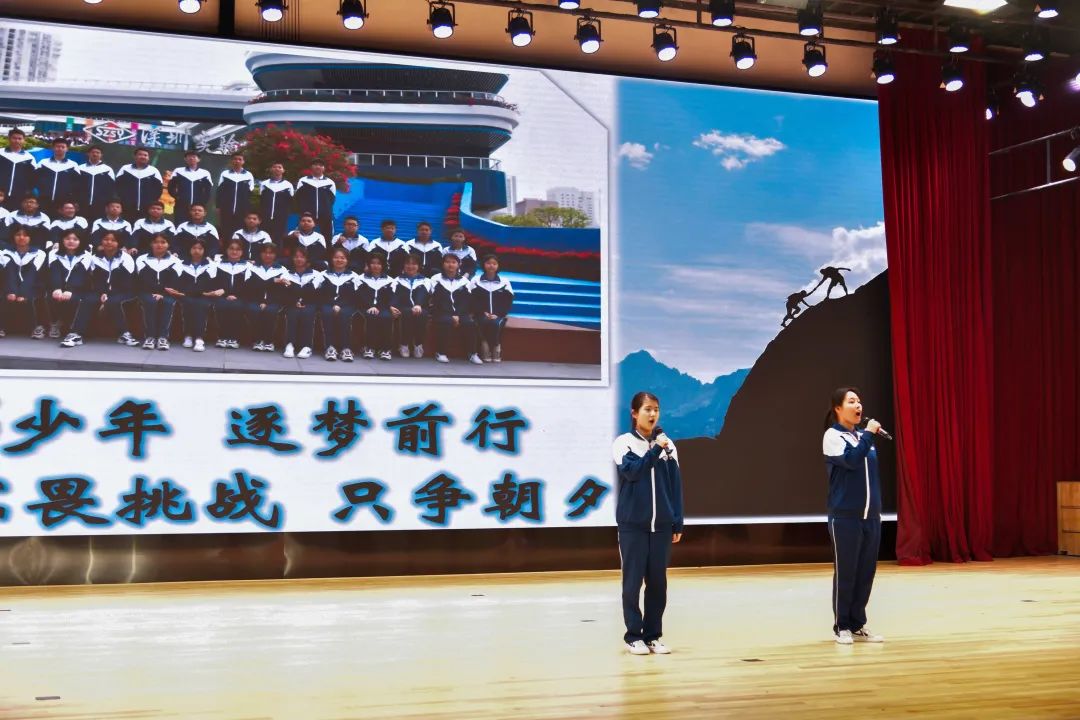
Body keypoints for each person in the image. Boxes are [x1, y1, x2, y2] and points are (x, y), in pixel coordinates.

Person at [611, 391, 683, 656]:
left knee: (658, 584)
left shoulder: (668, 445)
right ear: (634, 413)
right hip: (633, 525)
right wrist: (655, 449)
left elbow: (675, 485)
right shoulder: (624, 443)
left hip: (661, 526)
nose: (652, 414)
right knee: (632, 583)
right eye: (647, 409)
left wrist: (677, 521)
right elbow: (633, 472)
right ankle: (633, 636)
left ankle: (653, 636)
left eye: (656, 409)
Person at [823, 386, 885, 645]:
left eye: (859, 401)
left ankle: (858, 623)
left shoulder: (863, 437)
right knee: (847, 572)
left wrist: (866, 435)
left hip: (871, 516)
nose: (858, 405)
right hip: (845, 517)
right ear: (838, 408)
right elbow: (851, 461)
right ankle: (842, 626)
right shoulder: (833, 436)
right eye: (851, 401)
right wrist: (869, 434)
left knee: (865, 572)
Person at [429, 253, 482, 365]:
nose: (450, 265)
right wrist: (451, 314)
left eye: (453, 262)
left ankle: (473, 353)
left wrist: (457, 314)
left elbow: (466, 301)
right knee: (446, 321)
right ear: (443, 264)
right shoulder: (436, 279)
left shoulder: (464, 281)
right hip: (441, 311)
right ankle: (441, 352)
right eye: (447, 262)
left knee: (470, 323)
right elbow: (437, 299)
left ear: (458, 264)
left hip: (460, 313)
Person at [90, 231, 140, 346]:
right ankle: (76, 333)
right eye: (106, 239)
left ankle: (124, 334)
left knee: (112, 301)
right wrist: (103, 292)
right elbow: (96, 279)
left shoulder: (126, 258)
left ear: (119, 243)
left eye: (113, 240)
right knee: (88, 299)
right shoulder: (95, 258)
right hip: (103, 291)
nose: (109, 242)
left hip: (125, 291)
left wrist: (108, 294)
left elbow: (127, 282)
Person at [169, 237, 217, 353]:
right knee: (189, 303)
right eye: (194, 248)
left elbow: (211, 284)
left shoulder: (211, 265)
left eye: (200, 248)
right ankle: (188, 336)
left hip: (204, 295)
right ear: (189, 249)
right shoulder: (181, 264)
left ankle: (199, 338)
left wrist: (202, 292)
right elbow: (177, 283)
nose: (197, 251)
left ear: (204, 250)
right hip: (185, 295)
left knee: (200, 304)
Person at [47, 230, 94, 347]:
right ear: (62, 240)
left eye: (75, 239)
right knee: (50, 296)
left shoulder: (86, 255)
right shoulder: (53, 253)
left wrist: (70, 290)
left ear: (80, 241)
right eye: (67, 238)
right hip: (59, 287)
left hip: (79, 288)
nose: (71, 241)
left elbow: (80, 274)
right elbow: (54, 271)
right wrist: (57, 288)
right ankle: (56, 322)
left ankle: (75, 333)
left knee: (80, 300)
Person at [135, 232, 180, 350]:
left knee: (168, 302)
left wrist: (162, 293)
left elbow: (174, 281)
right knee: (150, 301)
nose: (159, 245)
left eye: (163, 242)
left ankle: (163, 337)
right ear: (151, 244)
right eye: (156, 242)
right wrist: (154, 292)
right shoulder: (142, 259)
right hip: (146, 291)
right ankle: (150, 337)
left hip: (168, 293)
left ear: (168, 244)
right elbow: (141, 280)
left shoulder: (175, 261)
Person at [275, 246, 321, 359]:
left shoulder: (316, 274)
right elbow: (284, 294)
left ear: (307, 259)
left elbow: (311, 291)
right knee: (292, 313)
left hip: (309, 303)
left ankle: (306, 346)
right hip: (292, 302)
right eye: (296, 257)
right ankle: (289, 344)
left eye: (302, 257)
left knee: (307, 313)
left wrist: (292, 286)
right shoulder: (286, 274)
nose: (299, 259)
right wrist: (294, 301)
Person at [3, 225, 48, 338]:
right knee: (4, 296)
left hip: (33, 286)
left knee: (32, 298)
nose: (21, 237)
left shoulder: (39, 253)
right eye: (18, 235)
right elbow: (9, 273)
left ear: (30, 237)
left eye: (25, 235)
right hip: (11, 285)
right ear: (13, 237)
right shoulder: (5, 252)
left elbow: (32, 275)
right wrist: (12, 291)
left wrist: (23, 293)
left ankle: (37, 327)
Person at [317, 246, 360, 362]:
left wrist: (339, 305)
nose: (339, 260)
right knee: (327, 313)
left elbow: (354, 296)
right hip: (327, 303)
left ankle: (346, 348)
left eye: (342, 258)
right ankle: (330, 348)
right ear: (332, 259)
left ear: (347, 260)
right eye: (336, 257)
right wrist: (333, 304)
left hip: (347, 305)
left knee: (345, 315)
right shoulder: (323, 275)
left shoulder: (354, 276)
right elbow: (320, 294)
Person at [471, 253, 514, 363]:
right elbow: (473, 299)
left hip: (498, 314)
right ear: (483, 265)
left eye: (494, 264)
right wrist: (482, 312)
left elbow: (508, 301)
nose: (491, 265)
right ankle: (484, 347)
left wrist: (498, 314)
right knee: (483, 322)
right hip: (481, 313)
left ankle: (496, 347)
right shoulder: (476, 280)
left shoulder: (504, 282)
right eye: (488, 263)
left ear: (498, 266)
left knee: (495, 324)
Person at [244, 242, 285, 352]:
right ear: (260, 254)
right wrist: (273, 282)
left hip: (273, 301)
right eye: (265, 252)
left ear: (275, 255)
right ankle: (258, 340)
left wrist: (267, 302)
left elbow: (280, 291)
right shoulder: (252, 268)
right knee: (254, 310)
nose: (267, 255)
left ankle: (269, 341)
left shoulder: (281, 270)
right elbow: (250, 286)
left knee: (270, 311)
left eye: (271, 253)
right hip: (255, 299)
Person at [355, 252, 395, 361]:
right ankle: (369, 348)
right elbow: (360, 296)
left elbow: (390, 297)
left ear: (383, 265)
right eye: (373, 263)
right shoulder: (361, 279)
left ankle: (386, 349)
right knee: (371, 315)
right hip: (364, 307)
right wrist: (370, 306)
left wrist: (382, 307)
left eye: (379, 263)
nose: (375, 266)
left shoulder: (389, 280)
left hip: (383, 307)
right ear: (368, 264)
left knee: (386, 317)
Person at [212, 238, 250, 349]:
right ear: (227, 250)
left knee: (236, 306)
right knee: (221, 305)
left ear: (242, 251)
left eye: (238, 249)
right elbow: (215, 283)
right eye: (231, 249)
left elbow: (248, 286)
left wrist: (236, 295)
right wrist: (226, 294)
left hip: (240, 297)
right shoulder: (218, 265)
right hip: (222, 296)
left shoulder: (248, 266)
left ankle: (234, 338)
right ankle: (222, 337)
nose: (234, 252)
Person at [393, 252, 430, 359]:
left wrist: (418, 305)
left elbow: (424, 294)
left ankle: (418, 344)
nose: (410, 266)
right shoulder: (397, 280)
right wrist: (392, 307)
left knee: (422, 314)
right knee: (407, 313)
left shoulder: (426, 280)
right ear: (403, 265)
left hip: (420, 307)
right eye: (408, 264)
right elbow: (395, 296)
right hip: (403, 307)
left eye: (414, 264)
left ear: (419, 266)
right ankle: (404, 344)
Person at [115, 147, 163, 222]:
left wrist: (151, 202)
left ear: (148, 158)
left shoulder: (154, 171)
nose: (143, 157)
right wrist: (124, 200)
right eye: (140, 154)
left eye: (145, 155)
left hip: (147, 209)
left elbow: (158, 189)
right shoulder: (125, 169)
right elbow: (117, 186)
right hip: (126, 208)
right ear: (135, 156)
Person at [35, 137, 80, 214]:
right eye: (57, 146)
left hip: (63, 202)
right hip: (44, 199)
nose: (60, 149)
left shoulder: (73, 165)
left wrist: (72, 199)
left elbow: (76, 184)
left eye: (63, 147)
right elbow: (34, 179)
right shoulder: (43, 163)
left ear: (67, 149)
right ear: (53, 148)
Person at [294, 159, 336, 240]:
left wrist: (325, 210)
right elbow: (298, 198)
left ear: (324, 168)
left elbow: (332, 199)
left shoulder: (330, 182)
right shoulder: (303, 181)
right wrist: (303, 211)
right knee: (302, 238)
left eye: (320, 165)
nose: (318, 167)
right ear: (311, 167)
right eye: (315, 165)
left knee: (327, 239)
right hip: (307, 215)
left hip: (325, 216)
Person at [216, 152, 255, 240]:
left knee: (240, 232)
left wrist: (248, 209)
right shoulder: (225, 174)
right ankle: (226, 248)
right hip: (226, 209)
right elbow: (219, 192)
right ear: (231, 161)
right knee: (226, 231)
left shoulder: (248, 175)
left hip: (242, 210)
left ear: (243, 161)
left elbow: (250, 193)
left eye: (239, 159)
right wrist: (218, 207)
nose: (237, 161)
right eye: (235, 159)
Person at [167, 150, 213, 223]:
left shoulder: (205, 173)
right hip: (181, 206)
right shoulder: (178, 171)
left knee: (196, 225)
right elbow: (171, 187)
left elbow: (208, 190)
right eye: (189, 157)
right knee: (179, 224)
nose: (191, 158)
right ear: (185, 159)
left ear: (199, 159)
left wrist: (202, 203)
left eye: (194, 157)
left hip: (197, 207)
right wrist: (178, 197)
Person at [258, 162, 294, 247]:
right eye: (274, 167)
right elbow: (262, 200)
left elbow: (290, 202)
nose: (277, 169)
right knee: (264, 239)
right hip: (265, 217)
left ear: (283, 170)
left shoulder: (288, 185)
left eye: (279, 167)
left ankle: (278, 255)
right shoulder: (264, 184)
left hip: (280, 218)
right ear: (271, 169)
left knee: (278, 240)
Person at [0, 129, 37, 211]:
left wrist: (26, 191)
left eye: (20, 138)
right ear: (9, 138)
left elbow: (33, 178)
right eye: (14, 138)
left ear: (24, 140)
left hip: (19, 196)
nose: (17, 141)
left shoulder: (29, 158)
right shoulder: (1, 153)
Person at [77, 145, 116, 220]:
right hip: (82, 204)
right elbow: (75, 186)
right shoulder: (80, 168)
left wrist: (108, 203)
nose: (95, 154)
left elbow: (111, 189)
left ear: (101, 155)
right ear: (88, 154)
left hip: (101, 205)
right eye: (93, 152)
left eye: (98, 153)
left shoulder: (107, 169)